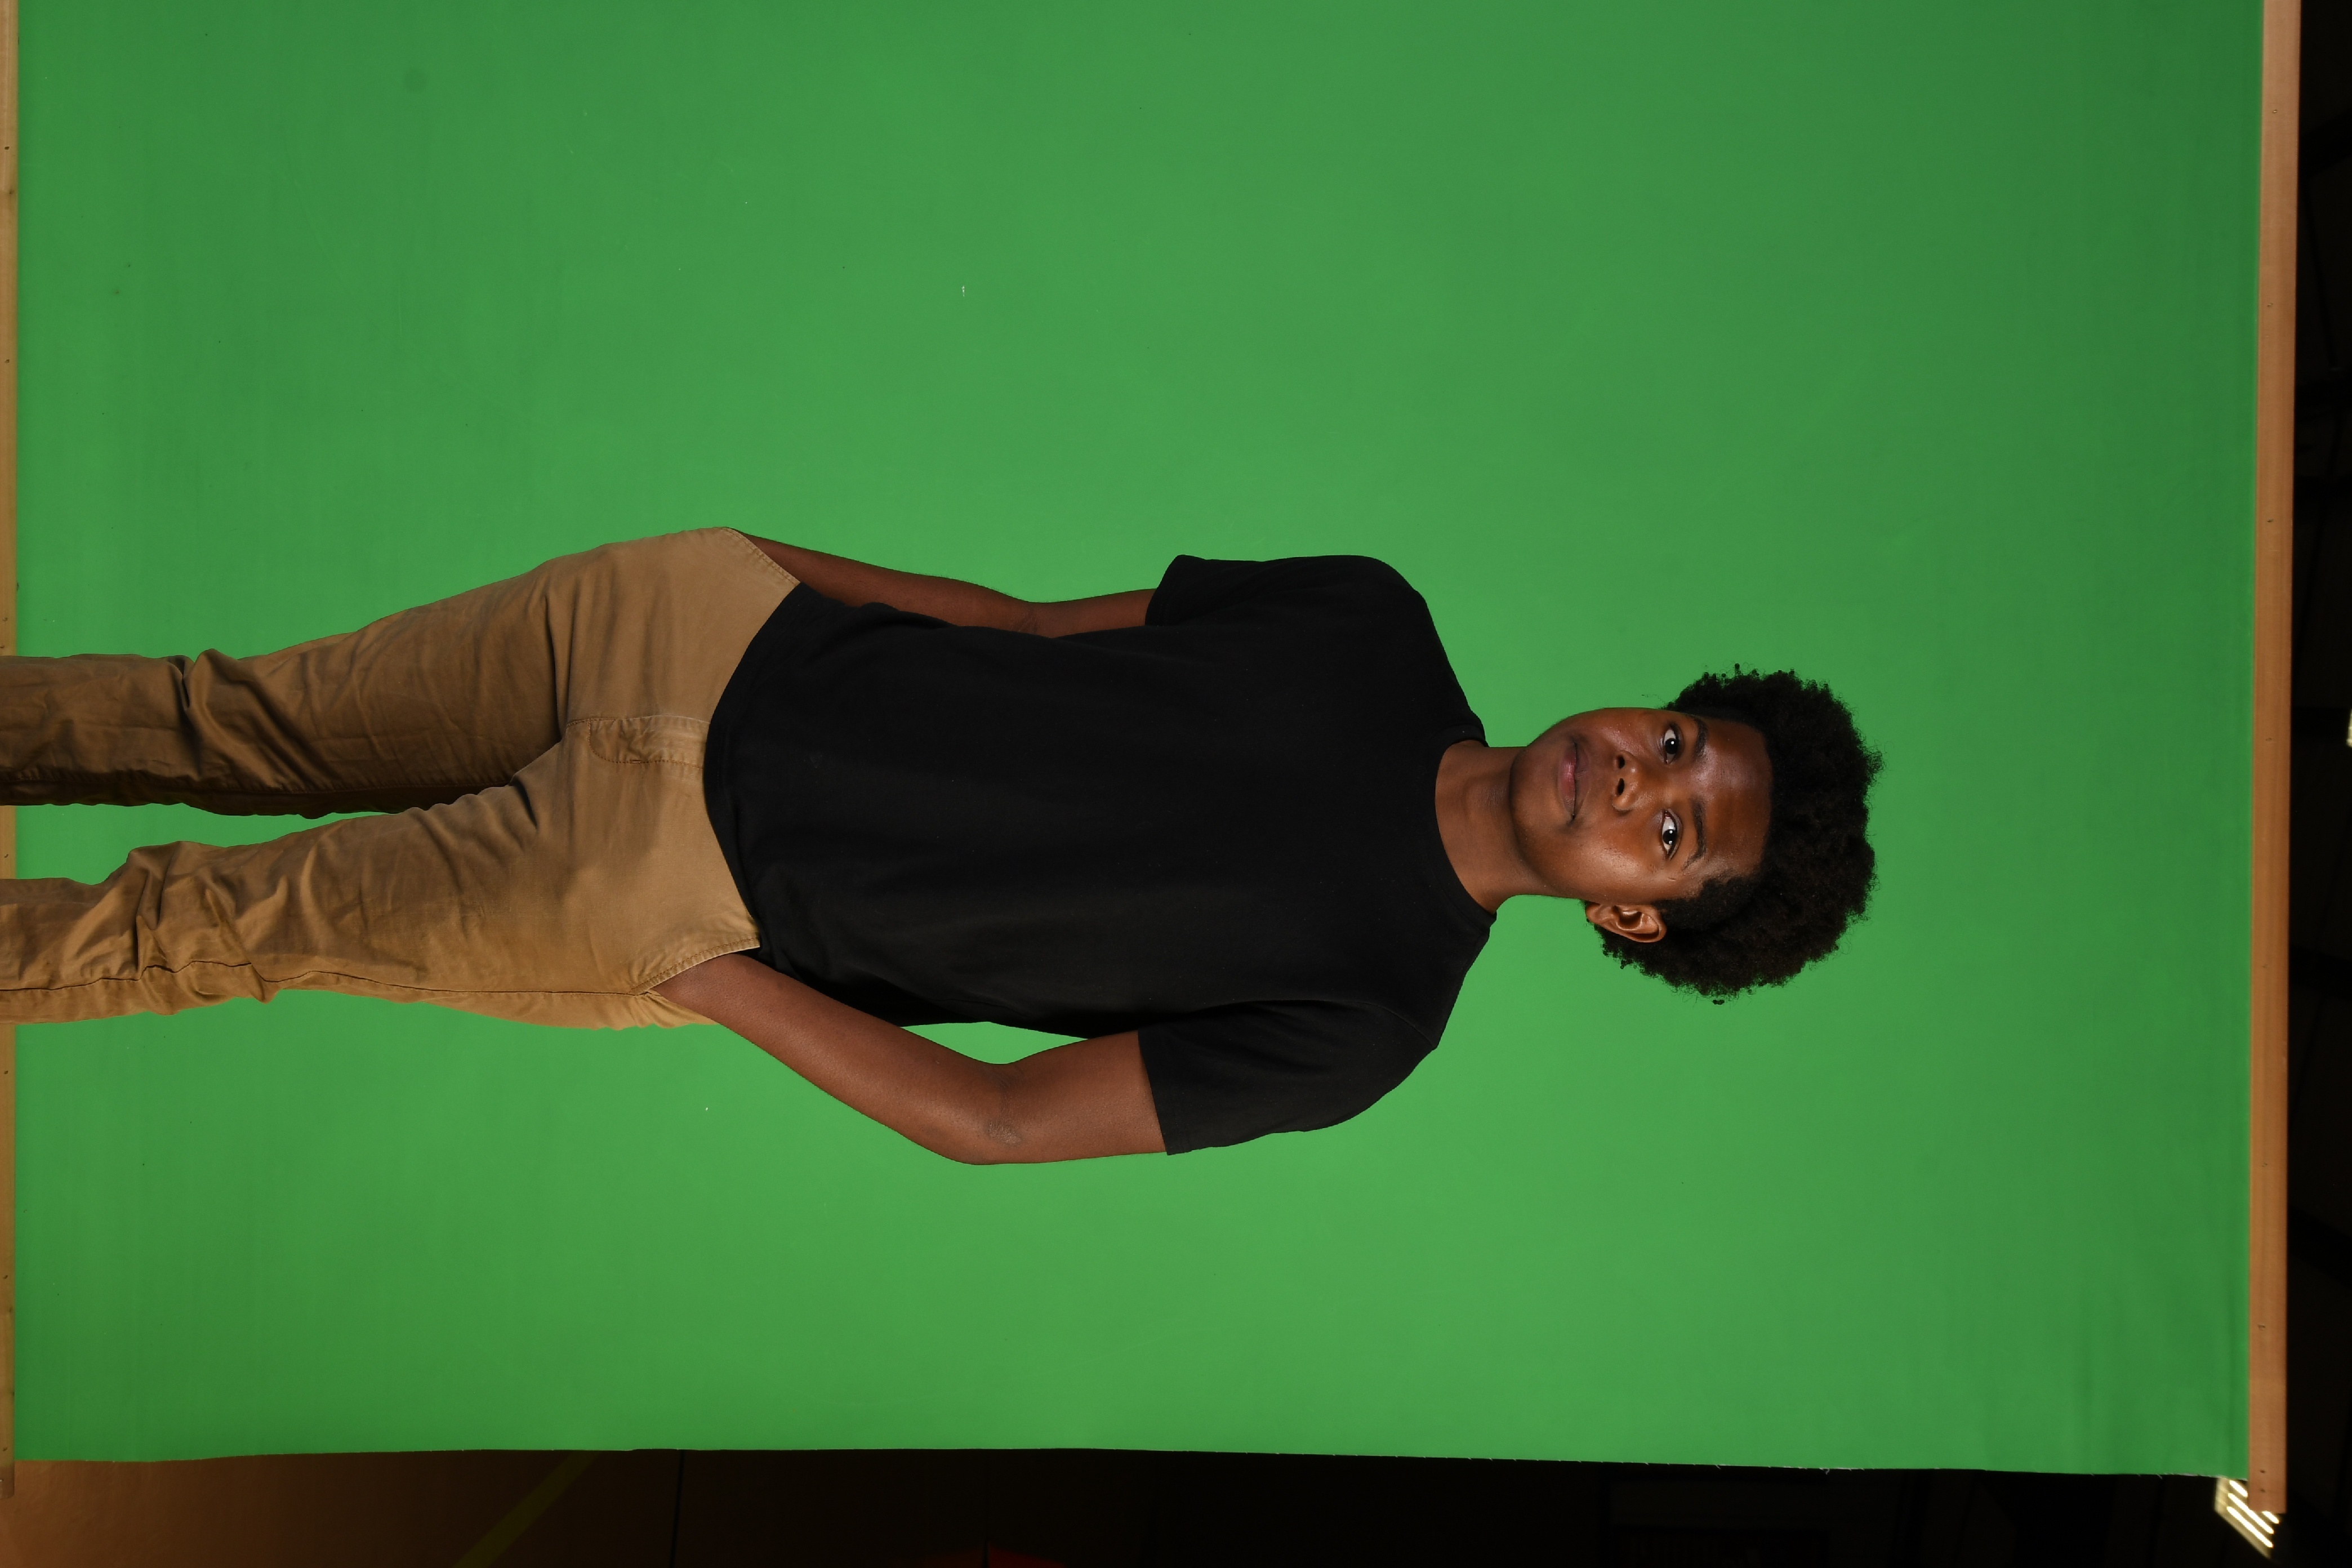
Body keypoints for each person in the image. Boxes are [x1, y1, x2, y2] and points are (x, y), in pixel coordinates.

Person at [0, 529, 1880, 1162]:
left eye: (1675, 838)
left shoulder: (1369, 1017)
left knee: (193, 925)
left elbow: (996, 1119)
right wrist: (752, 562)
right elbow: (1026, 628)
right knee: (218, 713)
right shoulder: (1369, 619)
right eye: (1677, 745)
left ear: (1638, 923)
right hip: (689, 633)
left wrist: (699, 974)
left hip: (679, 892)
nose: (1637, 784)